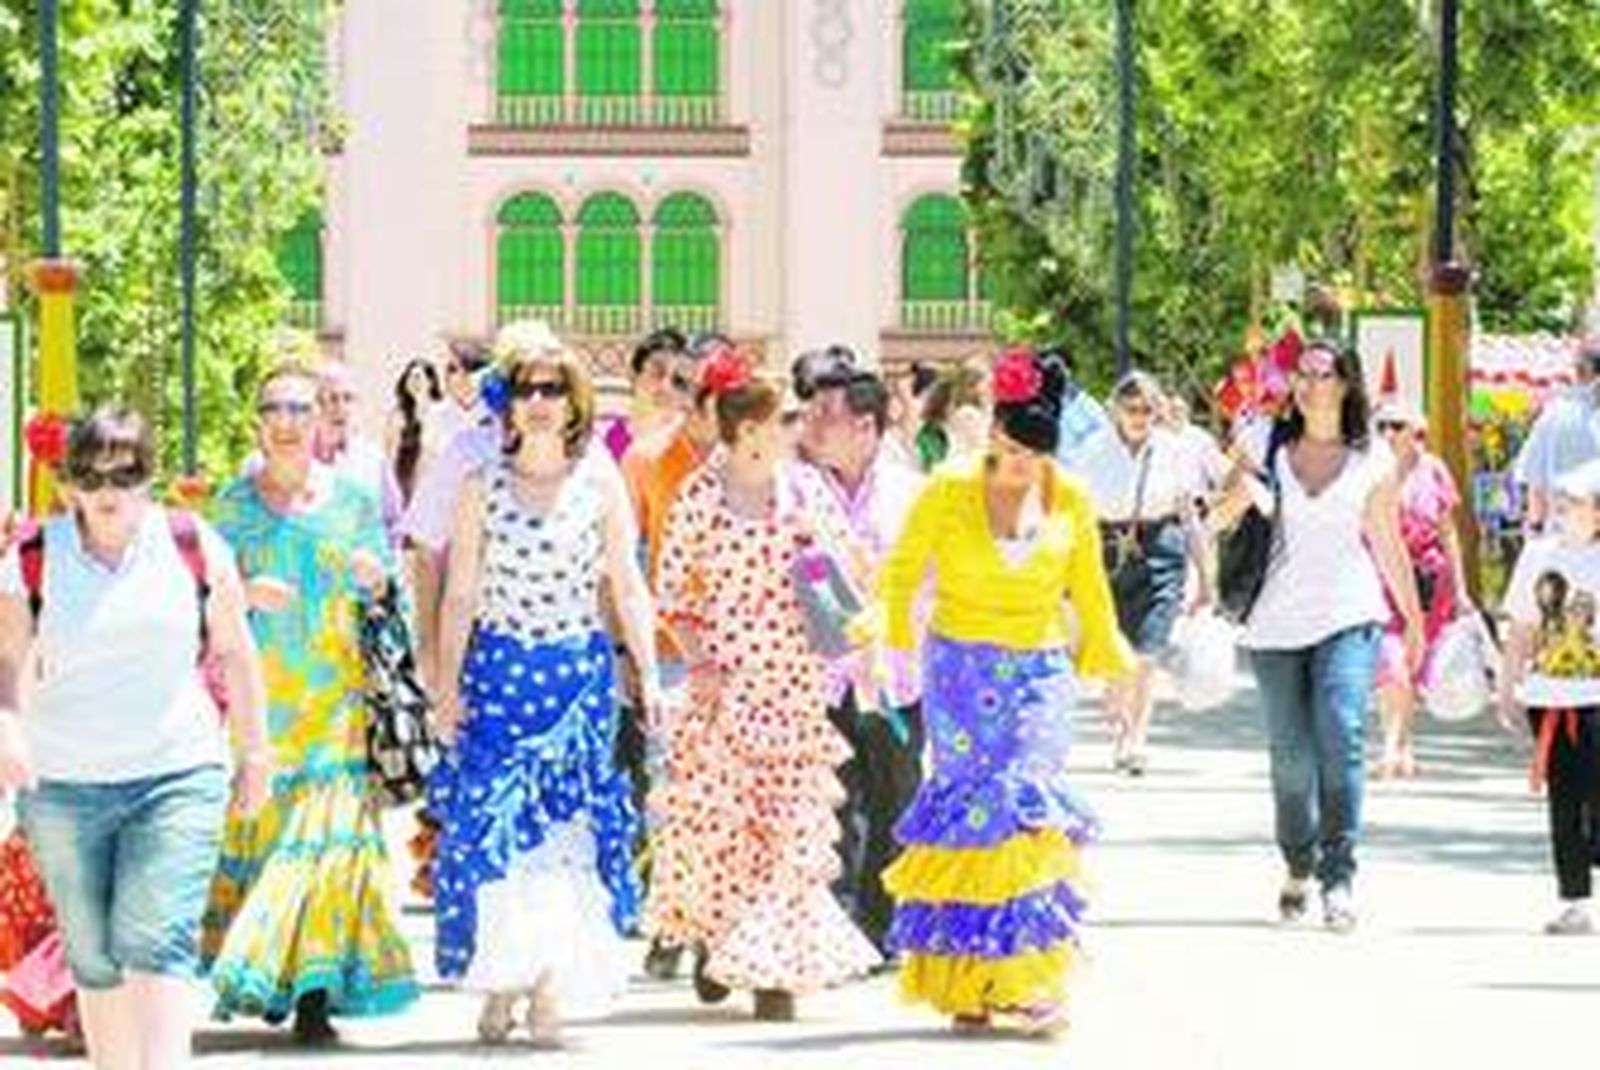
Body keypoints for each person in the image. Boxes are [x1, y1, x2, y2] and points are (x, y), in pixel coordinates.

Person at [0, 407, 270, 1070]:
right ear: (67, 485)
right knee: (93, 953)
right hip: (64, 782)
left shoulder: (192, 543)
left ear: (149, 479)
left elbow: (235, 652)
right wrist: (8, 726)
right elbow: (7, 660)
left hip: (176, 773)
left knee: (157, 938)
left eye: (126, 474)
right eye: (91, 476)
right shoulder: (34, 556)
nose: (108, 491)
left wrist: (255, 752)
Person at [878, 347, 1132, 1036]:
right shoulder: (947, 488)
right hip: (959, 668)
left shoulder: (1069, 497)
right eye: (1011, 448)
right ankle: (970, 975)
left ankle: (1026, 979)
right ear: (992, 434)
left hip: (1039, 669)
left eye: (1034, 455)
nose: (1020, 465)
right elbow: (903, 570)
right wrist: (887, 633)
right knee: (969, 811)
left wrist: (1111, 662)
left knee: (1021, 802)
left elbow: (1089, 588)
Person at [428, 323, 657, 1044]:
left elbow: (627, 583)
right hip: (498, 678)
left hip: (574, 682)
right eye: (525, 388)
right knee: (491, 837)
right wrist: (444, 681)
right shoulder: (480, 486)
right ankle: (500, 977)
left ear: (574, 403)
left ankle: (550, 986)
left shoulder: (598, 482)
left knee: (566, 839)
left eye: (552, 390)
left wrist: (647, 673)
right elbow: (459, 592)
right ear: (507, 402)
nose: (538, 402)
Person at [645, 349, 878, 1021]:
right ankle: (720, 941)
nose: (799, 428)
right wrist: (699, 661)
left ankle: (774, 969)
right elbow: (673, 595)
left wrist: (828, 560)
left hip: (794, 686)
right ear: (749, 430)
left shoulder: (805, 490)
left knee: (787, 828)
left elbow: (854, 569)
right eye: (787, 419)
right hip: (727, 687)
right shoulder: (700, 498)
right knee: (722, 825)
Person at [202, 362, 418, 1042]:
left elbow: (391, 597)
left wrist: (375, 577)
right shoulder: (230, 507)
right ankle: (276, 971)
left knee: (327, 846)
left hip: (335, 703)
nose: (289, 422)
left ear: (321, 420)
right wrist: (240, 591)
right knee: (269, 840)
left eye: (302, 408)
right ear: (258, 423)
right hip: (262, 706)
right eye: (276, 409)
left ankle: (315, 991)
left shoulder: (353, 502)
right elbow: (200, 600)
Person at [1223, 338, 1424, 932]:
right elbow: (1216, 515)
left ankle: (1339, 877)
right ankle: (1298, 862)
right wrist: (1239, 497)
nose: (1309, 384)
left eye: (1322, 374)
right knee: (1290, 757)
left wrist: (1413, 619)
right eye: (1301, 375)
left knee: (1341, 732)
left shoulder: (1374, 460)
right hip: (1274, 622)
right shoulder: (1263, 443)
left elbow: (1387, 541)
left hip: (1348, 614)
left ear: (1346, 384)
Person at [790, 363, 924, 956]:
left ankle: (884, 924)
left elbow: (927, 582)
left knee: (894, 799)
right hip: (817, 678)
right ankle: (832, 931)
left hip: (894, 675)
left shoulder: (911, 495)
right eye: (811, 412)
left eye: (827, 415)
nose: (813, 425)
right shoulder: (795, 490)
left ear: (867, 426)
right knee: (827, 805)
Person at [1074, 371, 1209, 775]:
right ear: (1116, 410)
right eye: (1132, 409)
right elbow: (1077, 515)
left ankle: (1136, 738)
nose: (1139, 417)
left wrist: (1205, 576)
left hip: (1161, 547)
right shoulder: (1093, 450)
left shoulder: (1174, 450)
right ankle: (1122, 722)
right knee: (1117, 650)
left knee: (1147, 651)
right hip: (1108, 549)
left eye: (1148, 410)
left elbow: (1190, 516)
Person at [1499, 458, 1600, 935]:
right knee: (1565, 798)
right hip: (1551, 696)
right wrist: (1507, 688)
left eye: (1575, 501)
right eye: (1561, 499)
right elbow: (1521, 627)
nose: (1563, 508)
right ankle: (1575, 899)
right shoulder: (1538, 556)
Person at [1371, 399, 1472, 778]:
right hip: (1383, 578)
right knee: (1390, 661)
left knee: (1411, 666)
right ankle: (1389, 745)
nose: (1387, 434)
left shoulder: (1434, 471)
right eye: (1381, 426)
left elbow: (1448, 532)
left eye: (1396, 426)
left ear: (1418, 432)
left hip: (1429, 579)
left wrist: (1460, 590)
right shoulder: (1374, 472)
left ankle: (1403, 744)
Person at [400, 339, 499, 688]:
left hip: (481, 536)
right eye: (450, 370)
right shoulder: (439, 417)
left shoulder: (497, 417)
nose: (452, 377)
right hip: (437, 531)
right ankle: (433, 687)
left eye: (459, 368)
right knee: (432, 619)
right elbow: (426, 472)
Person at [1514, 334, 1600, 533]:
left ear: (1578, 372)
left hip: (1565, 541)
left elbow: (1536, 488)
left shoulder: (1553, 416)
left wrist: (1535, 528)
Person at [386, 357, 443, 508]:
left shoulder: (441, 412)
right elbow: (390, 456)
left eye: (418, 377)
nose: (413, 382)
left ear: (430, 382)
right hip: (406, 487)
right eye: (409, 377)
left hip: (435, 487)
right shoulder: (399, 415)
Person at [916, 361, 989, 471]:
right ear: (973, 386)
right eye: (985, 383)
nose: (988, 387)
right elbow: (978, 443)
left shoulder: (959, 411)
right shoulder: (968, 413)